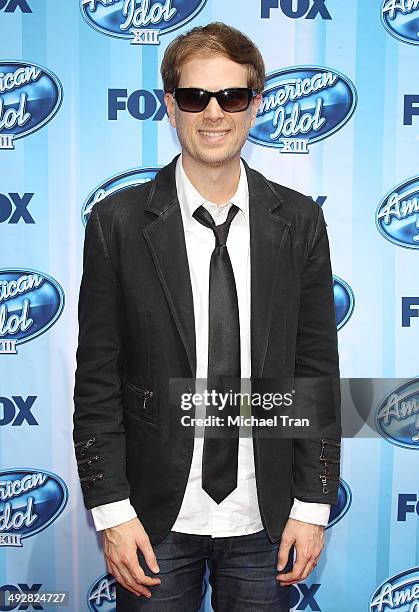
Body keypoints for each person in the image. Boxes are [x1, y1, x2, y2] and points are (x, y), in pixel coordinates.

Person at [73, 21, 341, 612]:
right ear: (171, 106)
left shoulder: (299, 223)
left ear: (255, 105)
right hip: (152, 518)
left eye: (232, 96)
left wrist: (312, 504)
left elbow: (314, 370)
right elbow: (97, 380)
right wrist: (112, 511)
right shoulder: (116, 224)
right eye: (195, 97)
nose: (213, 113)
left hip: (264, 519)